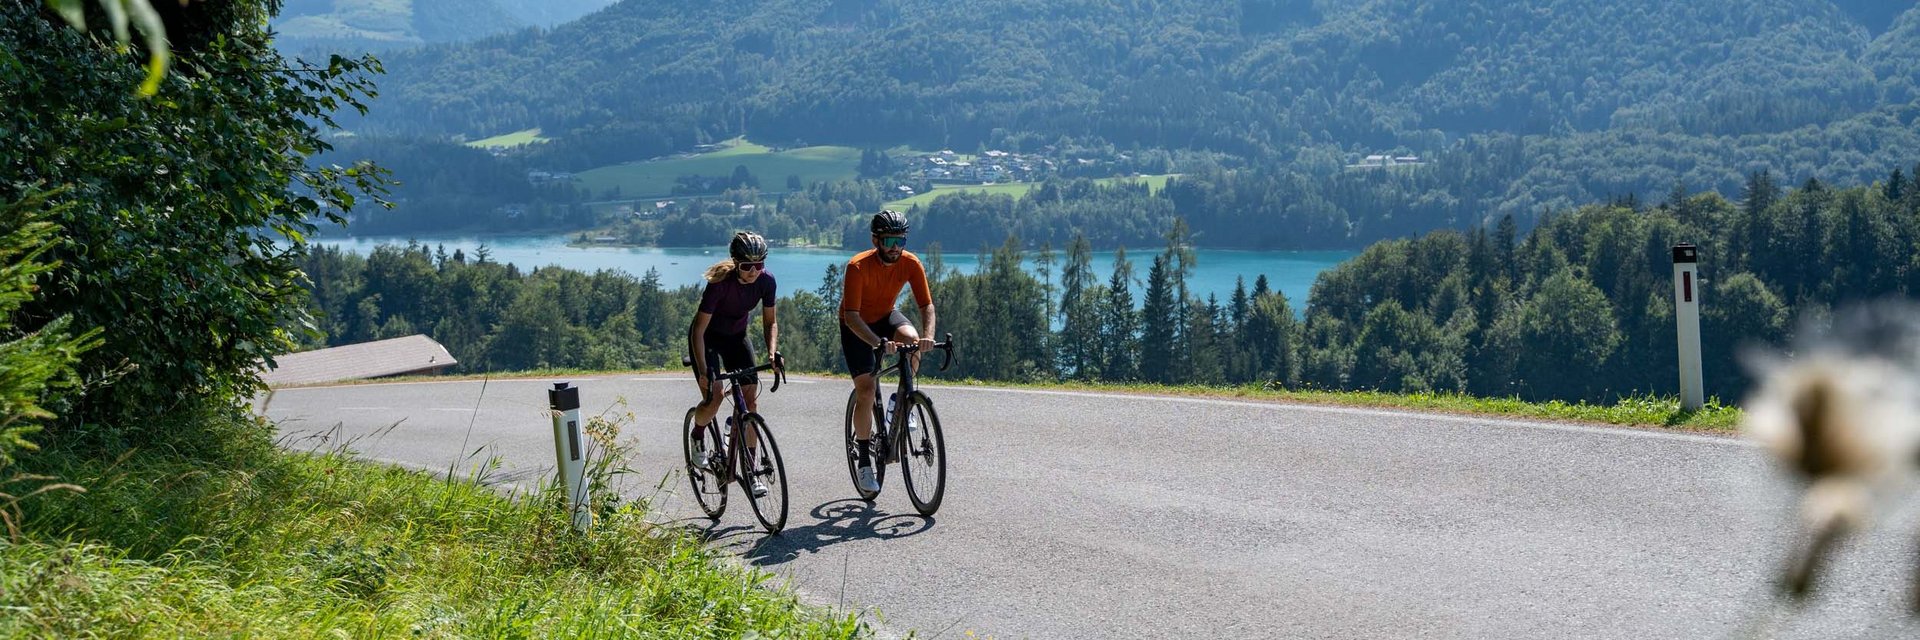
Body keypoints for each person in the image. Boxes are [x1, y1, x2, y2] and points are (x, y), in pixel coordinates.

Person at [840, 210, 937, 494]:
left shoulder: (910, 263)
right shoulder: (857, 267)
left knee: (912, 339)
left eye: (901, 240)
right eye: (889, 240)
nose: (895, 246)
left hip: (885, 315)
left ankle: (901, 400)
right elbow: (852, 316)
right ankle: (863, 461)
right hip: (855, 324)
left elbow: (926, 306)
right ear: (876, 240)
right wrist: (876, 343)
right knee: (866, 391)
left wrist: (928, 337)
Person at [688, 231, 780, 496]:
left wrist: (772, 353)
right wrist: (705, 371)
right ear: (735, 263)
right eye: (746, 266)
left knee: (750, 402)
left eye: (759, 265)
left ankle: (750, 470)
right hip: (708, 340)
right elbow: (698, 330)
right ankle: (697, 435)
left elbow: (770, 322)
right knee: (714, 397)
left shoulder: (766, 282)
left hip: (736, 338)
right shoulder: (720, 284)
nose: (753, 272)